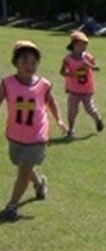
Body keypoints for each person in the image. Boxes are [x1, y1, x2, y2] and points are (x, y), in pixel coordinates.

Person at [0, 41, 67, 222]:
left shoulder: (43, 85)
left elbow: (51, 102)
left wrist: (59, 119)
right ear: (15, 63)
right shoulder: (7, 83)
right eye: (24, 62)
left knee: (23, 171)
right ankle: (39, 184)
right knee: (20, 163)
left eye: (33, 62)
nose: (29, 66)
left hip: (37, 135)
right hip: (14, 134)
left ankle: (11, 206)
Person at [59, 31, 104, 139]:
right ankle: (71, 129)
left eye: (85, 45)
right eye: (80, 45)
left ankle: (98, 119)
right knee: (72, 111)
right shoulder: (68, 59)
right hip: (73, 89)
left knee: (89, 108)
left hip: (87, 89)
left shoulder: (88, 57)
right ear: (73, 45)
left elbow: (97, 68)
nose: (83, 47)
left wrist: (88, 65)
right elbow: (62, 72)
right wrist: (70, 74)